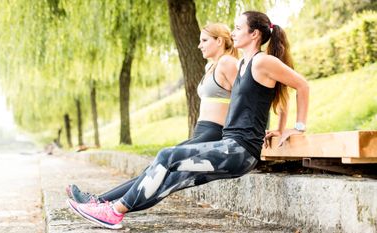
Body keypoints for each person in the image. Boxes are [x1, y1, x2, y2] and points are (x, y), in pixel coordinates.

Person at [67, 10, 309, 230]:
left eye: (237, 28)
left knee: (165, 157)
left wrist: (296, 128)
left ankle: (112, 212)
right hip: (231, 146)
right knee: (170, 179)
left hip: (240, 151)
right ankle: (108, 208)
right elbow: (277, 95)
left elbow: (301, 85)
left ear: (254, 33)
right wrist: (275, 129)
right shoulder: (245, 63)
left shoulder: (263, 61)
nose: (233, 32)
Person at [66, 23, 240, 206]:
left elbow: (245, 100)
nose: (199, 45)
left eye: (204, 40)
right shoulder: (210, 67)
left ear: (219, 41)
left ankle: (100, 202)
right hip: (202, 131)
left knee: (158, 172)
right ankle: (102, 202)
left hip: (214, 132)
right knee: (155, 172)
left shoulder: (228, 63)